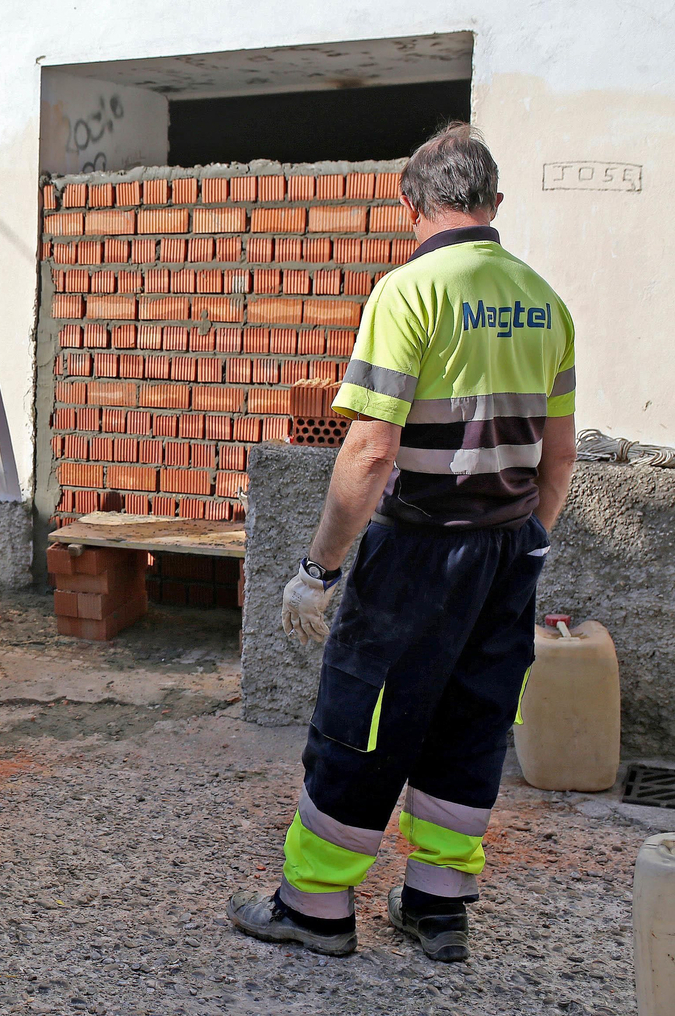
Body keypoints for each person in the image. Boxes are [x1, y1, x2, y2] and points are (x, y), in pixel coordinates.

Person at [227, 124, 577, 962]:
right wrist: (525, 542)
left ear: (410, 204)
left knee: (363, 716)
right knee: (473, 719)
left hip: (420, 549)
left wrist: (319, 569)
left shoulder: (408, 293)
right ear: (495, 202)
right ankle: (437, 907)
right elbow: (558, 457)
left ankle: (314, 906)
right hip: (506, 552)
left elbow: (371, 450)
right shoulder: (546, 301)